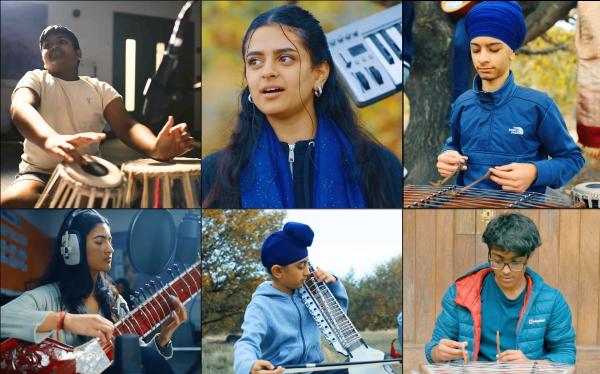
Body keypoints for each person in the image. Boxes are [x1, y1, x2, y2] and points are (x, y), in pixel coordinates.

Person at [0, 209, 199, 374]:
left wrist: (163, 339)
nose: (110, 249)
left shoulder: (116, 303)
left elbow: (137, 363)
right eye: (99, 241)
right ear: (73, 248)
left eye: (110, 241)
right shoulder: (47, 297)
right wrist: (65, 320)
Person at [202, 5, 402, 208]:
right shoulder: (215, 173)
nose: (267, 72)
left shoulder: (378, 165)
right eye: (254, 61)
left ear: (320, 73)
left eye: (285, 59)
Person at [1, 25, 195, 207]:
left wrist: (154, 147)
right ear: (43, 59)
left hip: (87, 172)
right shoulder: (35, 78)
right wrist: (49, 139)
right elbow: (20, 107)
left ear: (78, 54)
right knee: (14, 200)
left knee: (132, 201)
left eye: (61, 41)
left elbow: (127, 125)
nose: (54, 46)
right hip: (38, 173)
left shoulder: (100, 88)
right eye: (47, 45)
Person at [425, 212, 581, 374]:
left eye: (515, 262)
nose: (506, 271)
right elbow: (433, 349)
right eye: (497, 260)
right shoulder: (460, 293)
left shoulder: (551, 300)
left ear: (528, 258)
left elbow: (566, 355)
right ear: (489, 253)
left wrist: (531, 364)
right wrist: (439, 352)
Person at [233, 222, 393, 374]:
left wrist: (333, 283)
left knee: (369, 368)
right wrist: (249, 369)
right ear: (278, 271)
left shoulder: (309, 290)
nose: (307, 272)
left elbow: (339, 316)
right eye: (301, 266)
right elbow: (247, 342)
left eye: (307, 264)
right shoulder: (261, 306)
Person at [436, 1, 584, 194]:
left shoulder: (538, 105)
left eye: (494, 49)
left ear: (512, 52)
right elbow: (454, 144)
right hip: (466, 209)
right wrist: (447, 156)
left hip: (521, 214)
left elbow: (573, 158)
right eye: (475, 49)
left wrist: (535, 171)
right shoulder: (463, 104)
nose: (482, 58)